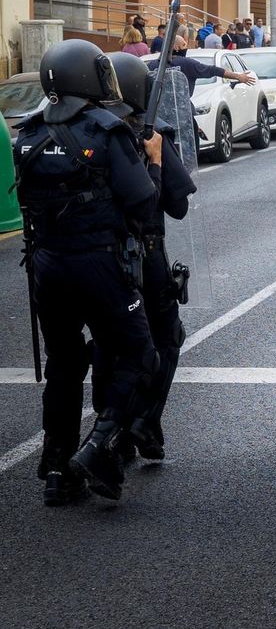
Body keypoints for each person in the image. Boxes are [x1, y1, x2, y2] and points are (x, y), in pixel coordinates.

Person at [12, 40, 161, 503]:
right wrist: (152, 161)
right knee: (139, 355)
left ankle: (57, 467)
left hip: (48, 267)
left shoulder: (28, 132)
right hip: (99, 263)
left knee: (65, 364)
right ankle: (99, 446)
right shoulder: (106, 129)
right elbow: (142, 200)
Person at [102, 52, 196, 464]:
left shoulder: (93, 132)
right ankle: (144, 420)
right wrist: (156, 157)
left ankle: (112, 434)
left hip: (99, 260)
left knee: (111, 344)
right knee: (165, 338)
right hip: (146, 255)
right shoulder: (149, 134)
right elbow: (176, 206)